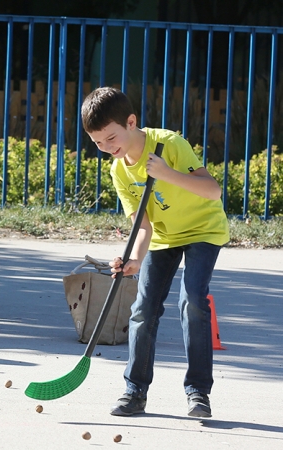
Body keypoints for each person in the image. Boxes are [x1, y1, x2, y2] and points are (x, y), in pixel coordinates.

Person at [80, 87, 230, 419]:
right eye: (98, 143)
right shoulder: (119, 170)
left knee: (192, 300)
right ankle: (134, 391)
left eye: (111, 138)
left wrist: (166, 174)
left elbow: (212, 190)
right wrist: (133, 259)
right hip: (163, 237)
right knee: (143, 309)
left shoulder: (169, 144)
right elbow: (143, 225)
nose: (106, 148)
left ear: (131, 122)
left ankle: (198, 392)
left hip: (203, 229)